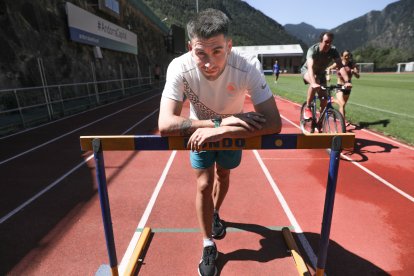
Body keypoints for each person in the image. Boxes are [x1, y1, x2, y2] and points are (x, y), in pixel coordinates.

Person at [158, 8, 282, 276]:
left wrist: (222, 131)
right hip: (207, 131)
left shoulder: (247, 66)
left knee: (223, 175)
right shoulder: (179, 66)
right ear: (191, 47)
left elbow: (273, 122)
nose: (209, 63)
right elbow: (165, 124)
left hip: (231, 134)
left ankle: (215, 213)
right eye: (200, 53)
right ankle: (207, 242)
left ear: (229, 45)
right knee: (204, 183)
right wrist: (218, 124)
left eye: (217, 52)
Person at [301, 32, 352, 120]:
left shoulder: (333, 50)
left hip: (321, 74)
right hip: (308, 71)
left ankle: (320, 123)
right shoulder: (313, 50)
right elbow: (310, 67)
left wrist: (347, 82)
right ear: (321, 41)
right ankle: (308, 107)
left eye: (330, 42)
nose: (328, 44)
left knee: (324, 99)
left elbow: (340, 66)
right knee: (315, 80)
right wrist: (313, 83)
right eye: (326, 42)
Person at [326, 50, 360, 122]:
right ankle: (343, 122)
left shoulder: (352, 64)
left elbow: (358, 76)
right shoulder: (339, 63)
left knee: (343, 105)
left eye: (348, 56)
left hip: (348, 87)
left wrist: (354, 72)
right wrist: (328, 76)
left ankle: (332, 100)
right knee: (342, 103)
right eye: (345, 56)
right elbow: (329, 68)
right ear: (342, 57)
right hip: (340, 86)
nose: (347, 57)